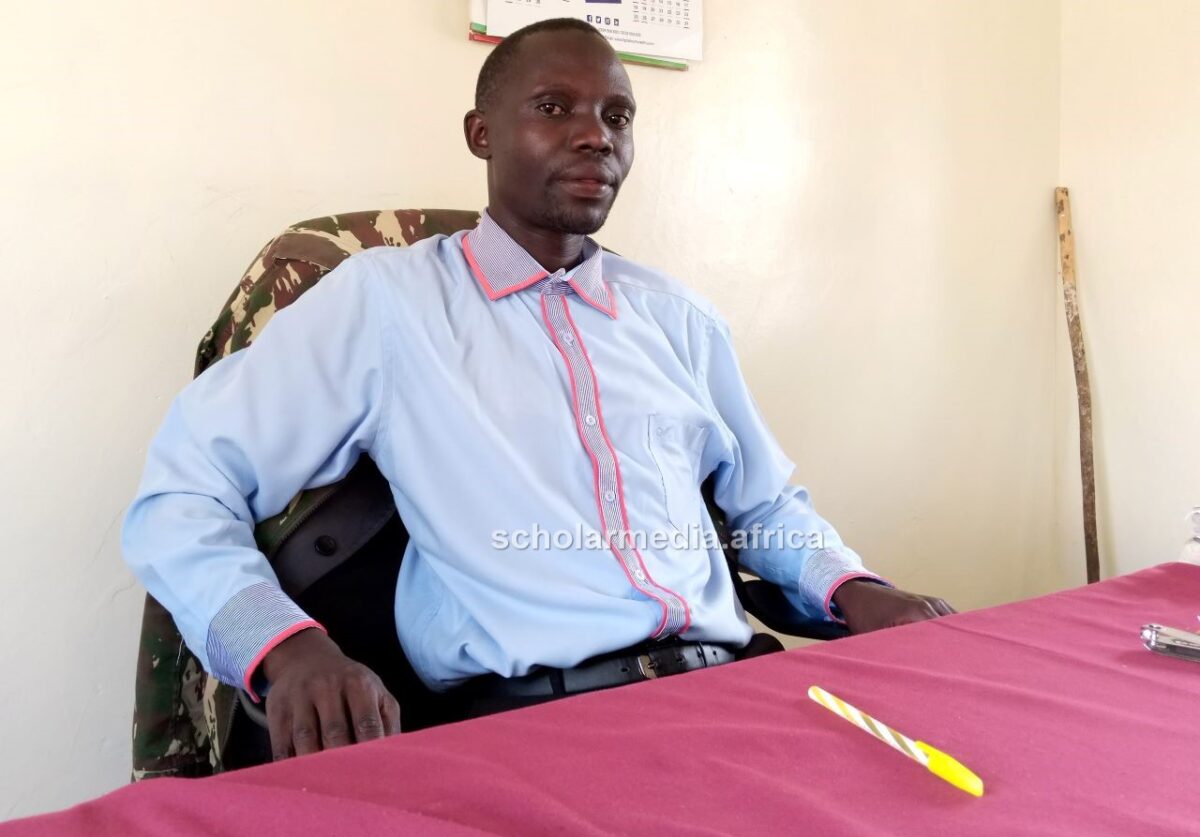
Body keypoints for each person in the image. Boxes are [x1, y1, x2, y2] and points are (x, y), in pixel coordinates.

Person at [123, 19, 954, 762]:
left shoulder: (678, 320)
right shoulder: (387, 304)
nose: (596, 137)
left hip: (732, 699)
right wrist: (285, 647)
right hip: (537, 731)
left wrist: (855, 589)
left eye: (617, 116)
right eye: (555, 107)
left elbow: (764, 509)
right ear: (482, 134)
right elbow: (182, 494)